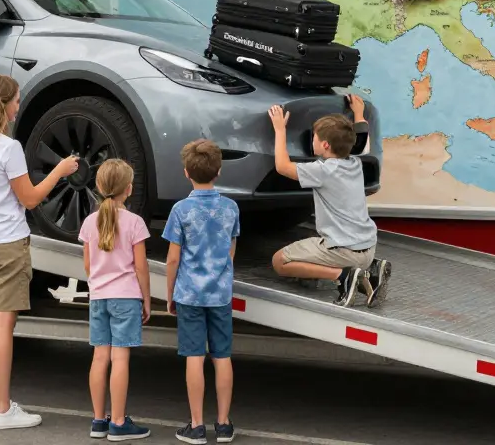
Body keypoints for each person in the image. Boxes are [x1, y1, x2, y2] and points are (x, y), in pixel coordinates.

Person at [0, 73, 79, 430]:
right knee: (2, 326)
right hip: (6, 244)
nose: (19, 105)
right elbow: (31, 199)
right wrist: (61, 170)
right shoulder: (8, 148)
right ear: (2, 105)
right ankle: (2, 410)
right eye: (16, 100)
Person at [267, 94, 391, 308]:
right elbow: (360, 140)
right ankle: (371, 271)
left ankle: (343, 276)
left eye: (313, 137)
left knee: (279, 262)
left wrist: (280, 130)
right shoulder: (355, 162)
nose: (311, 140)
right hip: (368, 248)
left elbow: (282, 166)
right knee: (312, 248)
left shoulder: (323, 170)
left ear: (324, 144)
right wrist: (359, 114)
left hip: (344, 252)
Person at [162, 139, 239, 445]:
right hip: (220, 294)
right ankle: (223, 424)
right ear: (218, 171)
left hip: (190, 294)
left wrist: (170, 294)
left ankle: (196, 425)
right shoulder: (230, 208)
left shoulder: (181, 210)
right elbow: (231, 249)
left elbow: (172, 258)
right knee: (222, 356)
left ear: (186, 172)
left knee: (194, 355)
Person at [79, 159, 153, 441]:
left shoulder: (89, 222)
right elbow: (141, 267)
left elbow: (87, 265)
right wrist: (146, 299)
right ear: (129, 189)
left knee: (100, 358)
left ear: (98, 187)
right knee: (120, 358)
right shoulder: (135, 223)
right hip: (125, 297)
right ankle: (119, 423)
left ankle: (98, 420)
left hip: (99, 297)